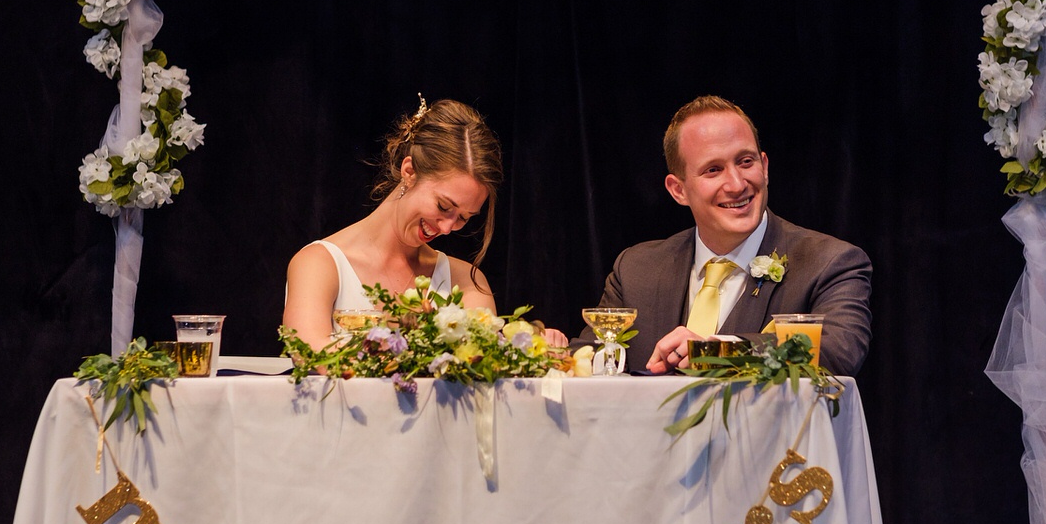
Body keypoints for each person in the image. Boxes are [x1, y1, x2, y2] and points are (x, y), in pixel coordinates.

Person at [578, 95, 871, 376]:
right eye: (713, 169)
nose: (736, 184)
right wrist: (544, 350)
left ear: (765, 167)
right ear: (678, 189)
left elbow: (837, 351)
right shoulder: (635, 270)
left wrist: (719, 352)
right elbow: (590, 359)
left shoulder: (829, 262)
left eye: (745, 162)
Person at [285, 97, 566, 351]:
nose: (446, 228)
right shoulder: (319, 264)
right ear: (409, 171)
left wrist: (529, 351)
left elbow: (480, 371)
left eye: (464, 218)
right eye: (444, 206)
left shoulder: (467, 282)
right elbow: (309, 354)